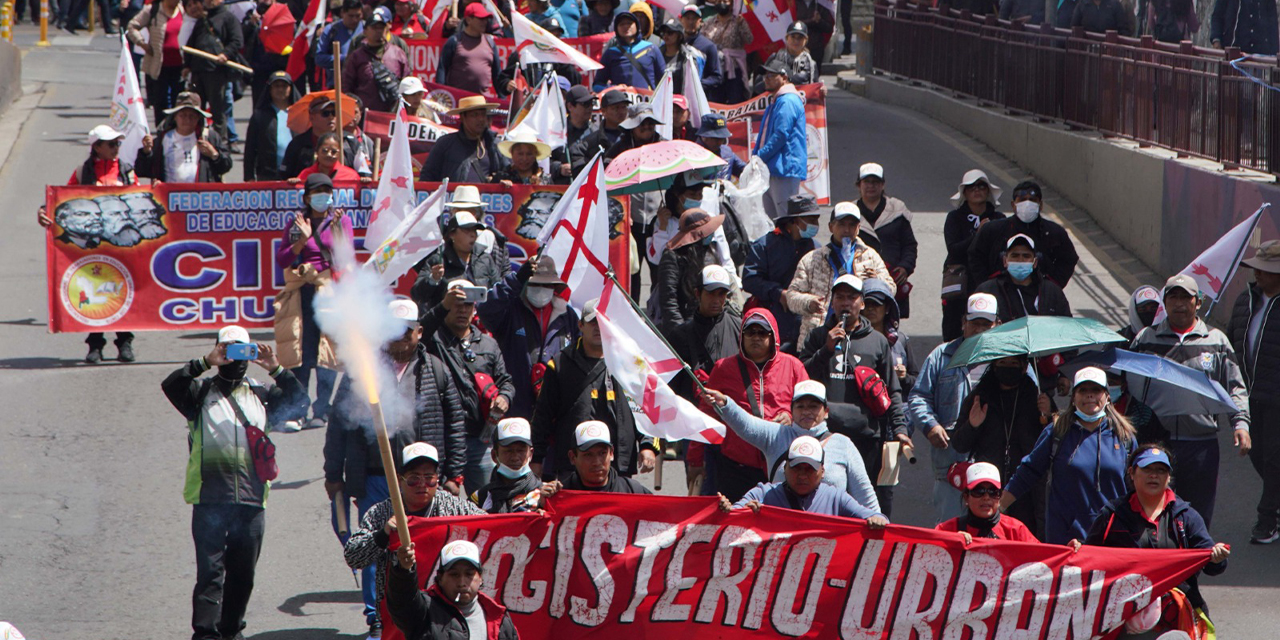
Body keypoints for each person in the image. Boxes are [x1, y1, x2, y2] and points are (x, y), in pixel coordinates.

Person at [324, 300, 466, 636]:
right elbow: (338, 423)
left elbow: (455, 422)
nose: (401, 339)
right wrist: (333, 474)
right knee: (378, 545)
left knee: (426, 548)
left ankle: (426, 615)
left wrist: (455, 474)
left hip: (424, 482)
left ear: (419, 332)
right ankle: (377, 618)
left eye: (407, 332)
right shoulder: (362, 371)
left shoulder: (436, 368)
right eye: (392, 332)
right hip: (376, 476)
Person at [161, 325, 303, 640]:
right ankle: (206, 633)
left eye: (242, 350)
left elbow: (301, 402)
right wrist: (204, 362)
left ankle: (231, 629)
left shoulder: (262, 393)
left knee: (243, 574)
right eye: (228, 350)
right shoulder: (199, 393)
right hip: (210, 497)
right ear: (218, 351)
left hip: (252, 500)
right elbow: (171, 385)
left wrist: (277, 369)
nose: (234, 357)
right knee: (211, 573)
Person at [1130, 274, 1251, 529]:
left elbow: (1235, 386)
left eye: (1186, 297)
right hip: (1156, 444)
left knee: (1197, 516)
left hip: (1201, 446)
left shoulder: (1216, 341)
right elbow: (1129, 387)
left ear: (1198, 303)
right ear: (1165, 302)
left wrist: (1241, 424)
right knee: (1155, 515)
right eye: (1173, 296)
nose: (1180, 303)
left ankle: (1192, 565)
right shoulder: (1145, 339)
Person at [1079, 444, 1230, 633]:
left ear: (1168, 477)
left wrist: (1217, 557)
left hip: (1176, 616)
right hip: (1122, 618)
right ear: (1132, 473)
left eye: (1161, 470)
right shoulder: (1112, 516)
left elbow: (1212, 563)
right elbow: (1088, 559)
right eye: (1147, 469)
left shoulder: (1186, 516)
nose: (1154, 475)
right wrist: (1078, 550)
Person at [346, 443, 487, 640]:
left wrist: (537, 513)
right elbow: (353, 557)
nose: (422, 484)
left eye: (429, 478)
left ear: (438, 480)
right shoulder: (381, 513)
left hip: (447, 611)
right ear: (399, 480)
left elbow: (491, 526)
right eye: (413, 479)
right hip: (399, 612)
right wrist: (383, 534)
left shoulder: (454, 508)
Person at [798, 274, 910, 515]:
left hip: (866, 437)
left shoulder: (878, 342)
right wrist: (826, 350)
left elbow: (892, 390)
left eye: (852, 297)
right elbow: (801, 379)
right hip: (825, 437)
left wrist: (900, 429)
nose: (845, 303)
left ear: (862, 304)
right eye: (840, 297)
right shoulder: (817, 337)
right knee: (826, 505)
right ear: (832, 302)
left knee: (865, 505)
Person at [1000, 367, 1139, 544]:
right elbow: (1028, 471)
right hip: (1065, 538)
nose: (1089, 396)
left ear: (1107, 396)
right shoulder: (1057, 432)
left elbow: (1137, 486)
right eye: (1083, 390)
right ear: (1073, 397)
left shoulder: (1124, 436)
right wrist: (999, 508)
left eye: (1096, 390)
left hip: (1113, 536)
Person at [530, 299, 659, 479]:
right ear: (580, 325)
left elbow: (645, 407)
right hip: (573, 464)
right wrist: (536, 458)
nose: (598, 328)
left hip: (619, 464)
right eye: (592, 322)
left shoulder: (630, 362)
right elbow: (543, 414)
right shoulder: (559, 365)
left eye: (603, 322)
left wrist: (648, 446)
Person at [703, 380, 880, 511]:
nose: (806, 412)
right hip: (781, 537)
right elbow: (747, 425)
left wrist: (880, 528)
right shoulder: (776, 435)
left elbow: (865, 497)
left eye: (813, 406)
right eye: (800, 406)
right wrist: (726, 404)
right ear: (792, 410)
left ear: (826, 411)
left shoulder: (843, 444)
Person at [689, 308, 809, 499]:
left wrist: (790, 415)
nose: (756, 337)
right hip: (736, 468)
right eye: (750, 332)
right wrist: (695, 460)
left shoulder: (794, 367)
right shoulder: (723, 368)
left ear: (773, 336)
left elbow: (811, 410)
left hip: (782, 467)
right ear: (741, 336)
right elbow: (705, 416)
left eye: (762, 332)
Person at [44, 125, 139, 363]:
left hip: (121, 246)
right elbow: (61, 200)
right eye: (111, 144)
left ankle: (125, 343)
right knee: (94, 295)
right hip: (92, 247)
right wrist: (43, 210)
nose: (116, 148)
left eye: (118, 143)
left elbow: (140, 199)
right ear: (97, 147)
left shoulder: (127, 171)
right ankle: (95, 346)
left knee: (122, 292)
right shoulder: (81, 172)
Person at [908, 293, 1001, 524]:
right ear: (963, 323)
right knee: (952, 531)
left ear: (997, 325)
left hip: (994, 462)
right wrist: (931, 426)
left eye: (986, 324)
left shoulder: (1008, 359)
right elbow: (919, 396)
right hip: (951, 464)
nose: (980, 330)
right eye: (975, 323)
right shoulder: (941, 356)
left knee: (991, 533)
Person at [420, 281, 516, 494]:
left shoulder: (488, 344)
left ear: (475, 310)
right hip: (440, 439)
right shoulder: (432, 340)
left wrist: (505, 398)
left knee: (485, 503)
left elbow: (505, 381)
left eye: (468, 305)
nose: (462, 310)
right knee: (439, 507)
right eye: (456, 304)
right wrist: (442, 306)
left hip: (479, 440)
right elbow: (419, 332)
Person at [273, 174, 351, 431]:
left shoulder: (340, 221)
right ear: (307, 197)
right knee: (301, 353)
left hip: (328, 291)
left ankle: (322, 409)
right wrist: (302, 240)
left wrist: (338, 233)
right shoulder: (296, 223)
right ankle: (297, 411)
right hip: (302, 292)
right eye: (317, 191)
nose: (322, 196)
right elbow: (283, 259)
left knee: (327, 351)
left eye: (326, 191)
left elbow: (345, 259)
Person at [954, 353, 1052, 537]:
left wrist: (1048, 415)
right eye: (1002, 363)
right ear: (994, 366)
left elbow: (1054, 441)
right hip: (988, 486)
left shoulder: (1037, 397)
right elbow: (959, 444)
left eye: (1014, 363)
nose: (1008, 367)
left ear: (1024, 367)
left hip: (1027, 489)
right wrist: (973, 425)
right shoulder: (980, 397)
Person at [475, 254, 580, 420]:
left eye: (545, 285)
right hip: (514, 405)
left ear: (554, 287)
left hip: (553, 410)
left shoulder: (567, 315)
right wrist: (516, 280)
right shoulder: (510, 310)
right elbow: (485, 309)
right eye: (535, 284)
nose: (540, 289)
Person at [1228, 240, 1280, 543]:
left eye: (1266, 270)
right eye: (1258, 268)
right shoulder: (1245, 300)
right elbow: (1237, 343)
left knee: (1274, 458)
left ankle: (1267, 519)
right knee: (1257, 455)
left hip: (1277, 398)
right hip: (1249, 394)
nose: (1258, 274)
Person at [785, 202, 895, 346]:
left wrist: (876, 282)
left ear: (858, 228)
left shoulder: (870, 257)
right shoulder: (812, 259)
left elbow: (891, 289)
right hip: (819, 337)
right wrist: (808, 302)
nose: (846, 230)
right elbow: (791, 296)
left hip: (860, 335)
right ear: (831, 227)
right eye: (841, 224)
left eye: (852, 225)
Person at [719, 436, 889, 524]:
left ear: (822, 472)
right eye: (796, 468)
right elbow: (732, 515)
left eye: (809, 469)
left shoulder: (836, 498)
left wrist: (877, 520)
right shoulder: (763, 493)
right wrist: (734, 513)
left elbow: (877, 517)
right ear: (784, 469)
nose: (802, 475)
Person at [386, 538, 519, 640]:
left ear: (480, 578)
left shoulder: (499, 618)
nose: (462, 583)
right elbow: (401, 601)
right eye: (454, 575)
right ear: (440, 578)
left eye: (469, 574)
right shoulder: (424, 612)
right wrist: (403, 570)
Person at [742, 195, 820, 353]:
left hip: (806, 326)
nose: (815, 224)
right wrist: (778, 293)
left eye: (816, 219)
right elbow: (750, 280)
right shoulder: (764, 245)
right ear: (794, 221)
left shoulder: (817, 248)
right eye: (810, 219)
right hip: (773, 325)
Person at [968, 180, 1078, 291]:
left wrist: (1053, 286)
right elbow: (975, 256)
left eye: (1032, 200)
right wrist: (987, 285)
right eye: (1022, 200)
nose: (1027, 204)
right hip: (1001, 293)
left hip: (1040, 295)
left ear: (1040, 205)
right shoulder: (993, 230)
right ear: (1013, 205)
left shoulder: (1054, 232)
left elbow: (1069, 259)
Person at [411, 192, 511, 310]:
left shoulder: (485, 259)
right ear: (452, 234)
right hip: (445, 324)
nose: (472, 235)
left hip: (477, 324)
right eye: (467, 230)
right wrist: (433, 280)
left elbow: (499, 292)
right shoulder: (438, 259)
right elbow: (417, 295)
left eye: (474, 230)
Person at [942, 169, 1004, 341]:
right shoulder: (954, 218)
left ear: (988, 191)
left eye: (981, 186)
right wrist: (978, 233)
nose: (977, 190)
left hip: (988, 279)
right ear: (965, 193)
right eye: (971, 187)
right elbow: (954, 249)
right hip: (960, 282)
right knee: (954, 326)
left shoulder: (998, 218)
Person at [668, 265, 742, 401]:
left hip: (731, 410)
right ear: (697, 293)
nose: (716, 300)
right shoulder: (680, 335)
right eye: (710, 293)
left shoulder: (739, 328)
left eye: (721, 294)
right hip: (694, 413)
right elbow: (672, 385)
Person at [854, 163, 918, 318]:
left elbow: (909, 245)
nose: (871, 186)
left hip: (892, 280)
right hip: (860, 279)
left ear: (882, 185)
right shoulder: (850, 212)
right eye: (866, 182)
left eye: (875, 182)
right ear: (859, 185)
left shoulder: (897, 209)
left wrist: (905, 267)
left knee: (890, 325)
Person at [180, 0, 243, 144]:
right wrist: (187, 65)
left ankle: (220, 143)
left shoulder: (228, 17)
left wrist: (226, 54)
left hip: (216, 72)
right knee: (196, 108)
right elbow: (192, 44)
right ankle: (196, 138)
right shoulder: (202, 20)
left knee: (218, 111)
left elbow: (237, 41)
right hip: (198, 72)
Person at [752, 58, 807, 221]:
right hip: (775, 168)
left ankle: (791, 247)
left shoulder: (787, 100)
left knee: (786, 221)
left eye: (771, 75)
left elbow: (780, 135)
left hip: (784, 169)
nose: (766, 79)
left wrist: (759, 156)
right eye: (765, 76)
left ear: (784, 77)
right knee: (773, 222)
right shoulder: (779, 100)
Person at [136, 92, 234, 183]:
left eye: (192, 116)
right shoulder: (163, 139)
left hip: (201, 197)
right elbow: (142, 171)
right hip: (169, 196)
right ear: (175, 117)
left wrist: (214, 154)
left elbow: (226, 166)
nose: (187, 119)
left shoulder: (209, 137)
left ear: (198, 118)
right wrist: (146, 152)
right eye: (182, 115)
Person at [657, 207, 725, 334]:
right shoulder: (673, 257)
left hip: (711, 325)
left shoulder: (711, 250)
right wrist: (681, 332)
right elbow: (669, 300)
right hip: (686, 325)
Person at [471, 418, 563, 513]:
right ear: (494, 455)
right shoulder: (480, 498)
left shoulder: (546, 494)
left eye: (521, 451)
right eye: (508, 451)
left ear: (530, 454)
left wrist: (544, 508)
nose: (515, 457)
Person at [974, 234, 1072, 321]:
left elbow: (1067, 324)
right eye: (1015, 255)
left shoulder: (1052, 291)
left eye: (1026, 256)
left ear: (1035, 262)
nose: (1020, 260)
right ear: (1005, 261)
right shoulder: (988, 290)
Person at [937, 462, 1038, 543]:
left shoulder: (1015, 530)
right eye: (979, 491)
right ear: (966, 497)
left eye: (993, 492)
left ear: (999, 497)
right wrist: (950, 544)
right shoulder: (947, 530)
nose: (986, 497)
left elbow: (1042, 560)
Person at [419, 96, 508, 182]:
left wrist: (502, 181)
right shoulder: (445, 144)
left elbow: (508, 173)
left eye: (483, 114)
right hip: (454, 197)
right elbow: (427, 176)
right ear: (462, 117)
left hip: (487, 197)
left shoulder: (495, 145)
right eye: (474, 115)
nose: (480, 119)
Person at [126, 0, 184, 124]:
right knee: (161, 102)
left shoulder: (184, 10)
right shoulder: (152, 10)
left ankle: (175, 131)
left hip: (180, 67)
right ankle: (162, 133)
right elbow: (132, 27)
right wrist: (142, 44)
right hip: (159, 66)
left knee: (178, 103)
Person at [341, 7, 407, 112]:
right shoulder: (356, 56)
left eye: (381, 27)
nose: (379, 31)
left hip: (394, 115)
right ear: (365, 31)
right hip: (367, 116)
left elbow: (407, 82)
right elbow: (346, 86)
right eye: (374, 28)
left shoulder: (398, 53)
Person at [562, 420, 656, 492]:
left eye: (602, 453)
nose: (597, 462)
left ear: (611, 453)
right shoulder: (560, 495)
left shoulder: (633, 492)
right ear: (573, 457)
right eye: (588, 455)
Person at [862, 278, 917, 393]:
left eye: (876, 304)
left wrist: (903, 377)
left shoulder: (900, 341)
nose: (871, 308)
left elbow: (917, 382)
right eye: (867, 304)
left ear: (887, 308)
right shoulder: (853, 340)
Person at [282, 96, 358, 179]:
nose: (331, 117)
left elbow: (364, 172)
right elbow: (285, 177)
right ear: (311, 117)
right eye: (325, 113)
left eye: (334, 113)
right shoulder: (297, 144)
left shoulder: (350, 141)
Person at [437, 2, 502, 96]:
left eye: (486, 19)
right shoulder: (454, 41)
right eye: (481, 19)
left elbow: (497, 75)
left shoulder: (490, 43)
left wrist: (503, 99)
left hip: (482, 103)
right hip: (458, 102)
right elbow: (442, 70)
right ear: (468, 19)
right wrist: (440, 96)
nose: (484, 22)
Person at [243, 71, 298, 181]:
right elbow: (250, 148)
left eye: (284, 86)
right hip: (267, 176)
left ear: (291, 88)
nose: (280, 89)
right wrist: (249, 177)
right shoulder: (260, 115)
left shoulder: (299, 114)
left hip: (295, 176)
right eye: (276, 86)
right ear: (270, 89)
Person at [594, 10, 664, 90]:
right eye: (622, 24)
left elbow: (665, 80)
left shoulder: (651, 49)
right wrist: (614, 88)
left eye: (629, 23)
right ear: (616, 29)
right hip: (620, 101)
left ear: (637, 26)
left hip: (648, 101)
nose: (626, 26)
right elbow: (597, 85)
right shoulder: (610, 53)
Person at [700, 0, 753, 102]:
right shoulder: (709, 22)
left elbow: (749, 40)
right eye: (719, 1)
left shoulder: (738, 21)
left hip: (733, 68)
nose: (722, 3)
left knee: (735, 98)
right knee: (715, 99)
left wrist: (741, 24)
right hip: (715, 67)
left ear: (731, 3)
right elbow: (702, 41)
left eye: (725, 1)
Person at [567, 90, 629, 175]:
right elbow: (579, 169)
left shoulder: (635, 136)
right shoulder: (589, 143)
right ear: (603, 111)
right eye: (616, 108)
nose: (621, 112)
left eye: (624, 107)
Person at [316, 0, 365, 89]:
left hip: (361, 85)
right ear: (342, 13)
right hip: (337, 85)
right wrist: (343, 58)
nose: (354, 20)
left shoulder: (367, 29)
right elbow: (319, 58)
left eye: (358, 16)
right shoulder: (331, 30)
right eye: (351, 16)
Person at [758, 21, 815, 91]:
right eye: (793, 37)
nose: (796, 41)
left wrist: (821, 90)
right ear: (787, 38)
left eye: (800, 38)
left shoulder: (810, 63)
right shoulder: (774, 58)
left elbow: (815, 87)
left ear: (806, 40)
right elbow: (758, 86)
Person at [679, 5, 722, 96]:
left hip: (698, 98)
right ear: (681, 20)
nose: (690, 22)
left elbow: (717, 77)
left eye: (694, 19)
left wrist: (698, 84)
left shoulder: (708, 46)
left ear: (700, 22)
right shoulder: (675, 41)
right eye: (687, 18)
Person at [490, 128, 555, 186]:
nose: (524, 158)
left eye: (529, 154)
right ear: (512, 154)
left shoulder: (545, 180)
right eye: (520, 154)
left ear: (535, 155)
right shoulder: (501, 177)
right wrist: (499, 189)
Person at [1209, 0, 1278, 54]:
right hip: (1232, 51)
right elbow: (1217, 16)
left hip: (1258, 54)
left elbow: (1273, 24)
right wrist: (1216, 39)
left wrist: (1274, 52)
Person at [695, 114, 747, 180]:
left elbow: (744, 171)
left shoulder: (727, 153)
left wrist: (752, 167)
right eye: (716, 139)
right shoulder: (692, 155)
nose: (720, 142)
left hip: (726, 190)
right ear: (704, 136)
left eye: (722, 138)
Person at [296, 132, 362, 182]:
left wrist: (366, 185)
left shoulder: (351, 176)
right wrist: (293, 185)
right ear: (317, 151)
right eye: (325, 151)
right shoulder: (305, 175)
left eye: (334, 152)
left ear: (339, 154)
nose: (329, 154)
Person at [791, 0, 834, 74]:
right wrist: (811, 21)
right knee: (798, 76)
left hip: (816, 48)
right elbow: (793, 24)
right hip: (798, 49)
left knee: (814, 76)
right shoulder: (794, 4)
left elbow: (829, 28)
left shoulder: (821, 5)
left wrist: (820, 21)